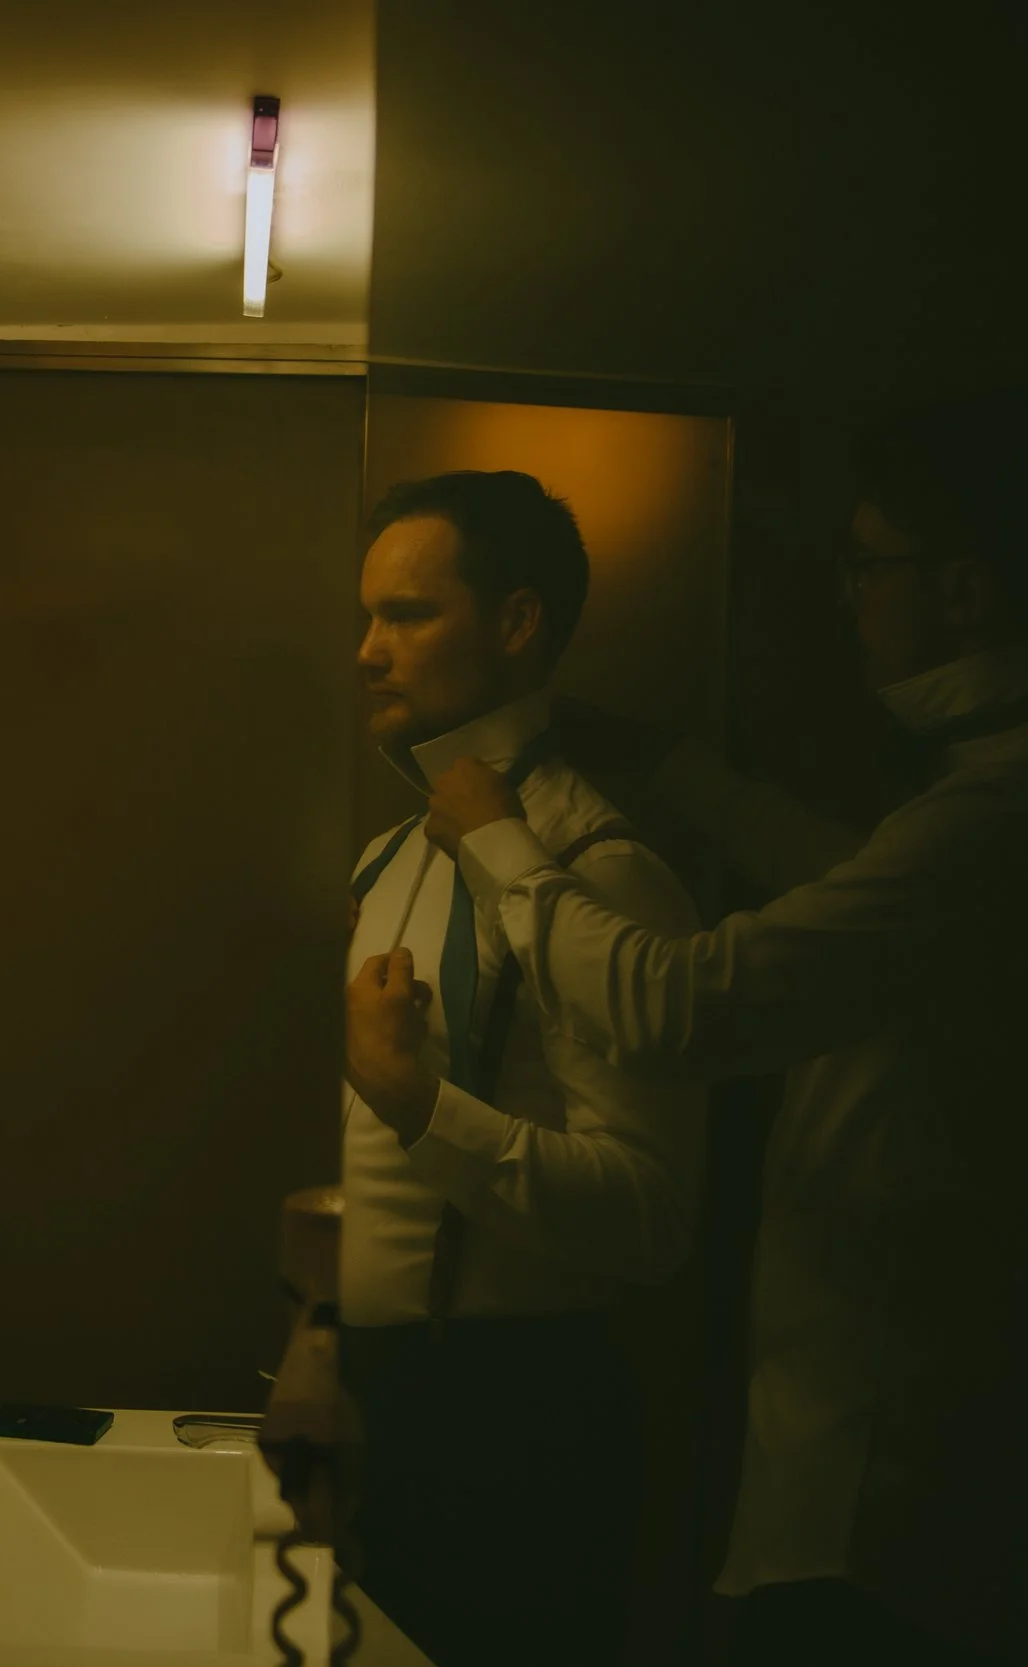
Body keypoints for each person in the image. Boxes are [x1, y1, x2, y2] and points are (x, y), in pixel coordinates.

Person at [418, 392, 1028, 1666]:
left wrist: (494, 837)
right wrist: (666, 763)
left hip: (886, 1463)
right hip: (843, 1443)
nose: (847, 599)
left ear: (967, 589)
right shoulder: (980, 800)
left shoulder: (1006, 810)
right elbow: (851, 881)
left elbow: (681, 1007)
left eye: (869, 567)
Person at [338, 470, 707, 1667]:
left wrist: (418, 1105)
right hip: (380, 1400)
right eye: (367, 618)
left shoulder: (597, 868)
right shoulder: (384, 859)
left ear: (514, 624)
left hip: (519, 1417)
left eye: (408, 616)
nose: (367, 652)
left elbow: (651, 1214)